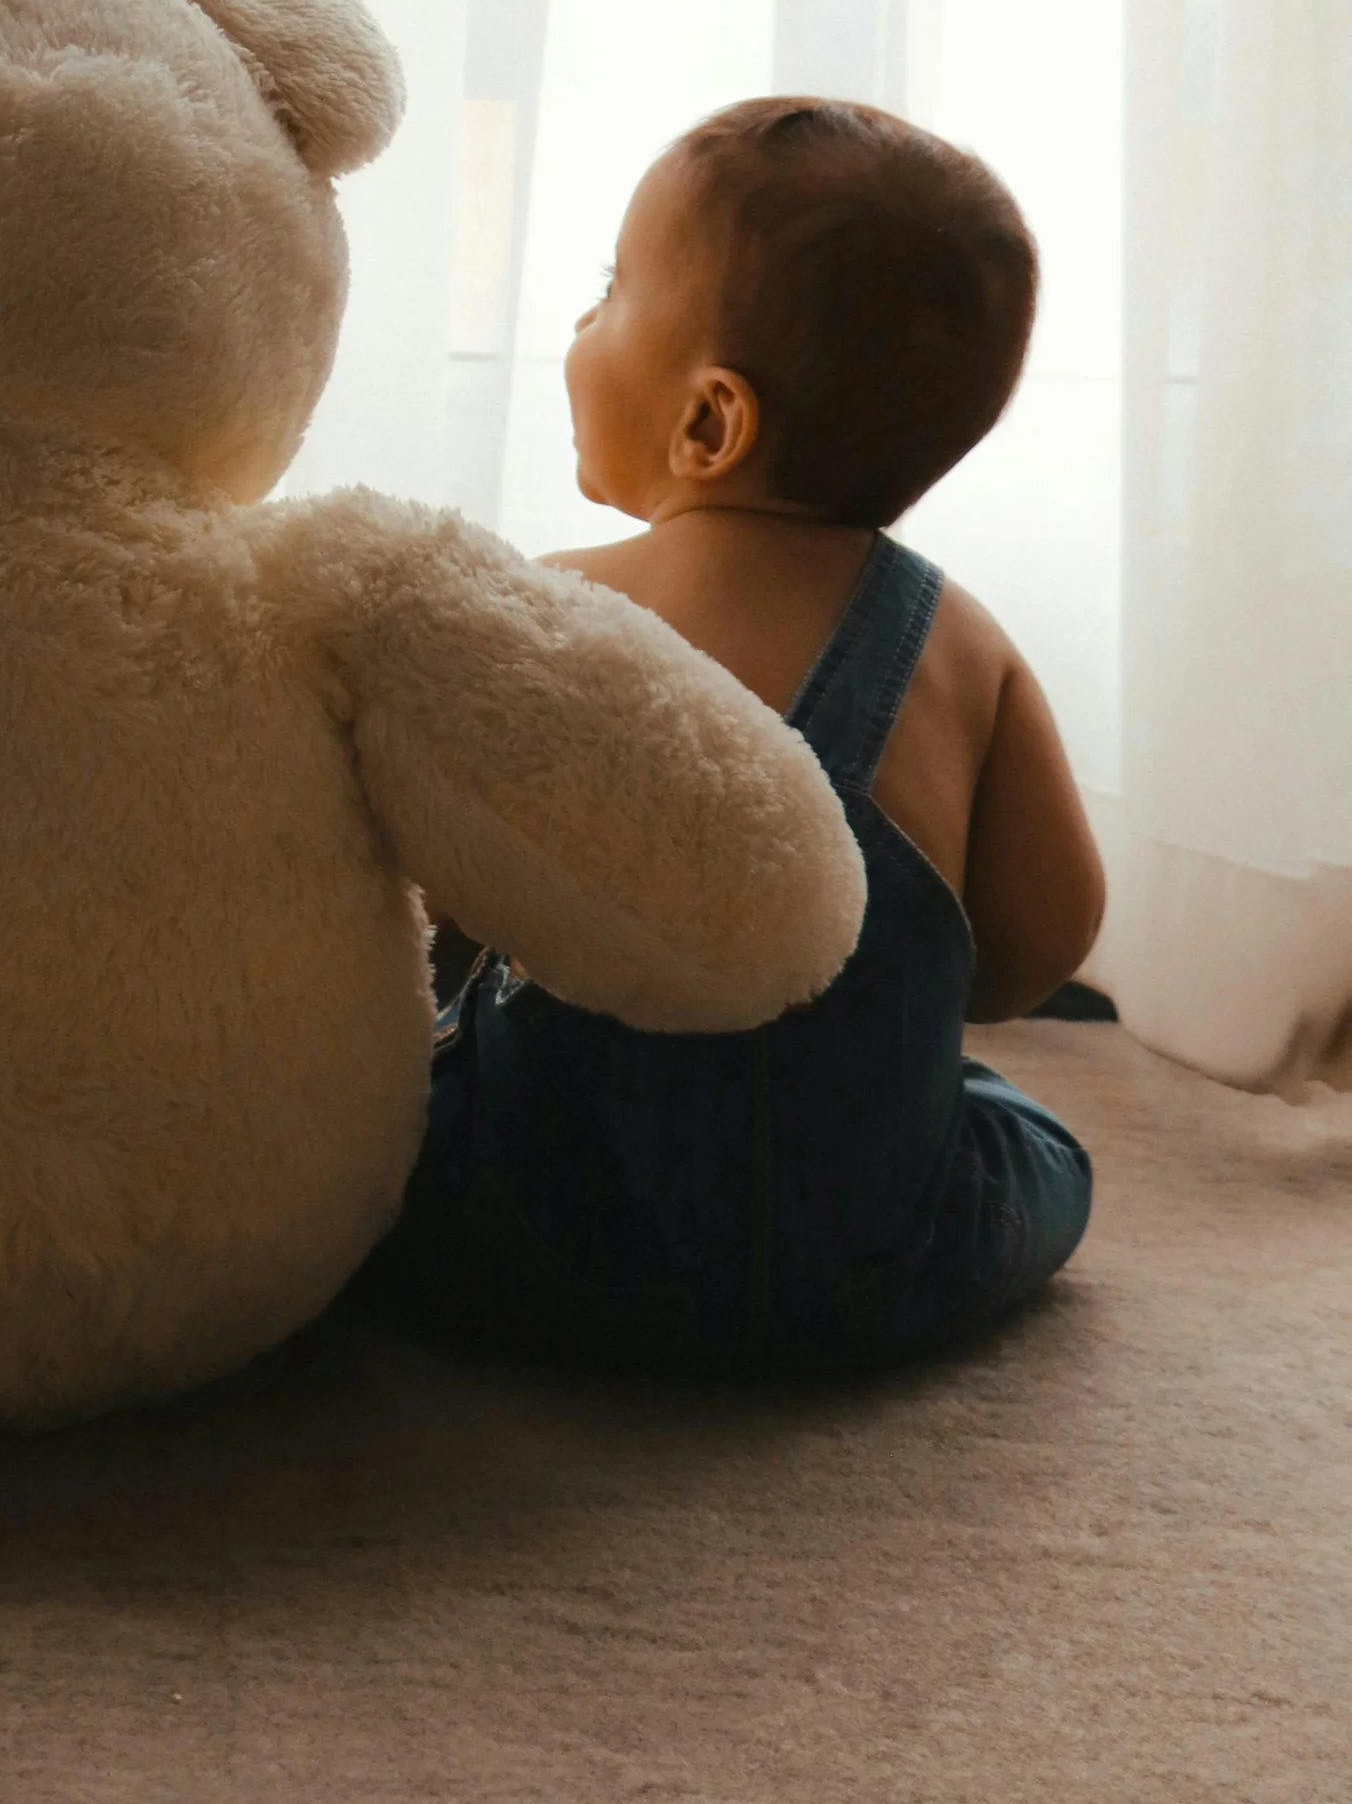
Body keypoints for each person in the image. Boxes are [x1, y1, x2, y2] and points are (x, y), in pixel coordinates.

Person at [377, 94, 1106, 1376]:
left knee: (407, 1110)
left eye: (608, 290)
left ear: (710, 421)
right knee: (1034, 1141)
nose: (579, 323)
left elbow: (429, 916)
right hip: (856, 1272)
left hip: (524, 1240)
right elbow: (1036, 946)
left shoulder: (554, 600)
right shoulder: (961, 647)